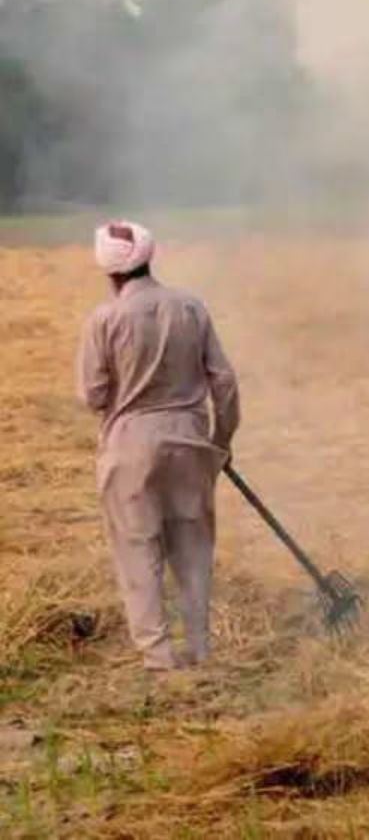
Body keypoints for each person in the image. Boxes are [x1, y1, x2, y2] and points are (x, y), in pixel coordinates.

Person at [77, 222, 240, 671]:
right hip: (190, 440)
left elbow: (92, 395)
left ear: (109, 272)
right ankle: (201, 647)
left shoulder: (104, 320)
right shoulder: (190, 306)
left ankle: (159, 657)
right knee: (192, 547)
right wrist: (220, 441)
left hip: (129, 445)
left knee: (137, 549)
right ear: (151, 257)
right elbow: (223, 382)